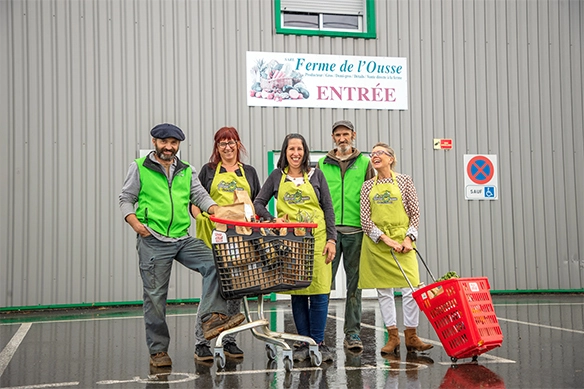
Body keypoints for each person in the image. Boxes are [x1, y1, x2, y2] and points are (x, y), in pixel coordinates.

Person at [118, 123, 245, 368]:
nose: (169, 147)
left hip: (181, 237)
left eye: (173, 143)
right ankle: (158, 351)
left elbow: (199, 196)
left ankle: (211, 318)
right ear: (154, 141)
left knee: (216, 262)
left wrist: (215, 209)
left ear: (178, 145)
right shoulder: (140, 167)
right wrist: (133, 222)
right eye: (164, 142)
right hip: (152, 238)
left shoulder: (187, 170)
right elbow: (126, 198)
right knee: (155, 298)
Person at [253, 133, 337, 362]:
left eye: (299, 149)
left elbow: (328, 209)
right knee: (298, 293)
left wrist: (332, 240)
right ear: (285, 152)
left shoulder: (316, 174)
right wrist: (272, 220)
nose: (295, 153)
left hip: (317, 239)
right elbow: (258, 203)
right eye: (291, 149)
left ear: (305, 151)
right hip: (291, 243)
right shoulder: (277, 176)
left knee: (319, 291)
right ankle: (302, 341)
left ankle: (317, 342)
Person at [190, 126, 261, 363]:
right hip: (215, 236)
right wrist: (199, 216)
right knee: (213, 287)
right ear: (216, 147)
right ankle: (201, 342)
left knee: (236, 288)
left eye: (231, 143)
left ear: (238, 145)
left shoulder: (249, 172)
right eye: (222, 143)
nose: (227, 147)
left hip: (241, 237)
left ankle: (230, 340)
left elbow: (256, 203)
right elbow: (195, 200)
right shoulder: (208, 171)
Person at [359, 142, 433, 355]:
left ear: (391, 158)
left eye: (380, 153)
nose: (375, 156)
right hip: (378, 245)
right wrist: (385, 239)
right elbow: (365, 220)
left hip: (403, 241)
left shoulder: (404, 181)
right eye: (372, 154)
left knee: (411, 288)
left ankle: (411, 336)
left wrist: (409, 238)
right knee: (384, 291)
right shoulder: (367, 187)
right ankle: (392, 337)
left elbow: (415, 212)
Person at [317, 120, 375, 352]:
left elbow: (372, 195)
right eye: (338, 135)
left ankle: (352, 334)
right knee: (322, 285)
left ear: (354, 135)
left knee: (355, 286)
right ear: (333, 137)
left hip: (356, 232)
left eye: (346, 134)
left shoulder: (365, 163)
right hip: (329, 234)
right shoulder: (322, 163)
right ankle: (317, 335)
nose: (342, 138)